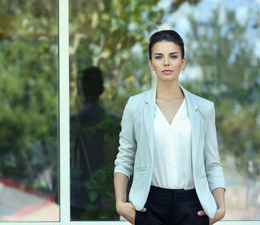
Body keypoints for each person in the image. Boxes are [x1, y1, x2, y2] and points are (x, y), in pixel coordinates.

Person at [114, 30, 226, 225]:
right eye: (159, 57)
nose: (166, 62)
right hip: (149, 205)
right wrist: (120, 203)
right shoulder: (135, 105)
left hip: (193, 205)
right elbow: (125, 156)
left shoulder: (205, 108)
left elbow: (212, 163)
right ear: (151, 63)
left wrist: (220, 207)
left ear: (183, 62)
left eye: (173, 56)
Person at [70, 66, 121, 220]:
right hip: (107, 201)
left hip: (79, 201)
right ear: (102, 89)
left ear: (81, 90)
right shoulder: (115, 123)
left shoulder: (73, 123)